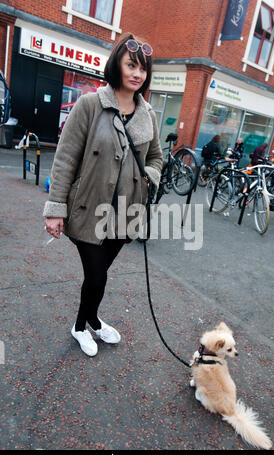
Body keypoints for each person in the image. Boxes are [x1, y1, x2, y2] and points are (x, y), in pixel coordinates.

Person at [43, 33, 163, 357]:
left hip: (126, 212)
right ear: (117, 66)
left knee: (100, 275)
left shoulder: (148, 114)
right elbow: (66, 158)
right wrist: (55, 208)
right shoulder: (90, 105)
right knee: (96, 275)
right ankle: (81, 326)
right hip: (87, 209)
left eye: (143, 69)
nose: (137, 74)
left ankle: (91, 320)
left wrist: (147, 178)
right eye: (131, 65)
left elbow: (156, 158)